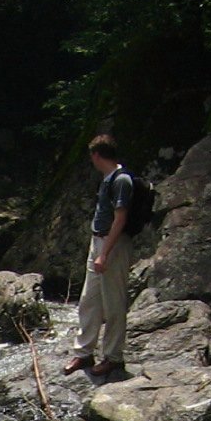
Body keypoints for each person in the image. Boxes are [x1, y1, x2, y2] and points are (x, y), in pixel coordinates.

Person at [66, 135, 135, 379]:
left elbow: (120, 219)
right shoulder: (107, 179)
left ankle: (113, 357)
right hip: (98, 241)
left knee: (114, 302)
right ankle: (84, 352)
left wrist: (104, 254)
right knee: (89, 299)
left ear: (96, 155)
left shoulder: (122, 180)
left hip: (112, 245)